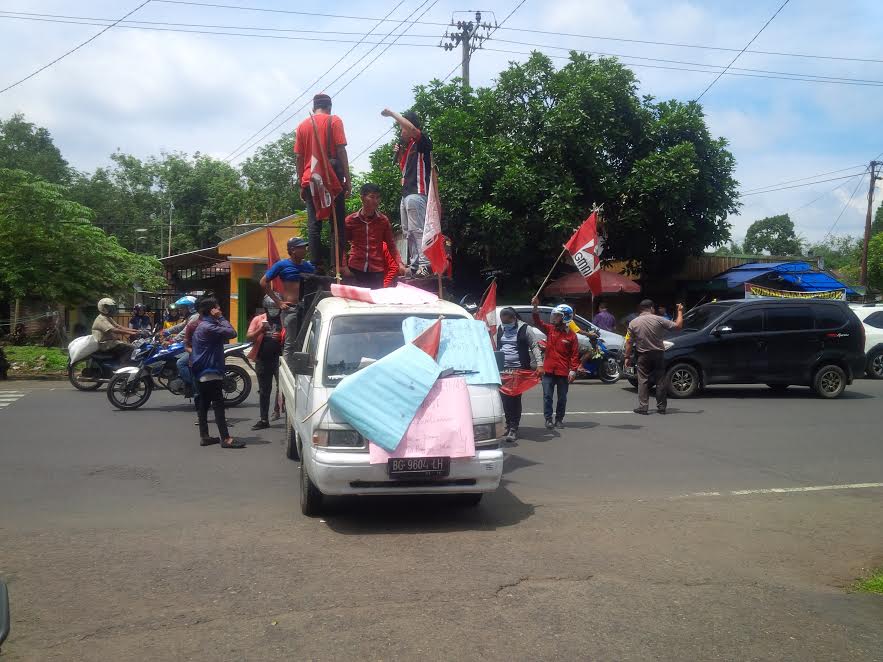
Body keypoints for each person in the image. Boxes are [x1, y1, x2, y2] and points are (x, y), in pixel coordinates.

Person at [294, 93, 351, 274]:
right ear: (330, 107)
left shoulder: (302, 125)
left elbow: (299, 157)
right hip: (331, 179)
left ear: (314, 107)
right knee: (336, 223)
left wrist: (301, 182)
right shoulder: (334, 121)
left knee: (314, 223)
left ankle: (316, 265)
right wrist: (347, 179)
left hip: (310, 179)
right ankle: (336, 266)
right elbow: (341, 150)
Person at [382, 108, 433, 277]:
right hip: (406, 195)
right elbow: (404, 171)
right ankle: (414, 264)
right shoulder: (409, 147)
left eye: (402, 128)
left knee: (418, 230)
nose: (401, 132)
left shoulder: (421, 141)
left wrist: (392, 114)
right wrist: (399, 154)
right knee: (408, 232)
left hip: (417, 193)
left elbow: (411, 129)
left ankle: (425, 265)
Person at [191, 297, 244, 448]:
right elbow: (232, 333)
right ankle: (226, 439)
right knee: (218, 404)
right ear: (212, 310)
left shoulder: (203, 325)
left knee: (204, 404)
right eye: (217, 307)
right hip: (210, 370)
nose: (220, 309)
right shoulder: (209, 326)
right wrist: (220, 317)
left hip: (203, 370)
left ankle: (205, 436)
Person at [260, 236, 316, 361]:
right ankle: (289, 374)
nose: (304, 250)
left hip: (307, 310)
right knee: (291, 344)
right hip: (291, 309)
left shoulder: (308, 266)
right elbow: (263, 282)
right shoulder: (282, 265)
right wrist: (278, 302)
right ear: (292, 250)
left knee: (307, 342)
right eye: (301, 247)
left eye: (304, 247)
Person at [623, 299, 684, 415]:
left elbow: (629, 343)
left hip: (643, 355)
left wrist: (627, 357)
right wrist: (680, 311)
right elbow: (678, 326)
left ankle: (643, 407)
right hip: (658, 354)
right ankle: (661, 407)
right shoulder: (659, 319)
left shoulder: (633, 323)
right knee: (660, 380)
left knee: (643, 380)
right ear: (651, 308)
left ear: (640, 309)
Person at [344, 183, 406, 289]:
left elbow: (391, 245)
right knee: (354, 304)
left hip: (376, 271)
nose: (375, 201)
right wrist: (343, 266)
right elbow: (341, 244)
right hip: (355, 269)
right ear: (362, 198)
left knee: (374, 302)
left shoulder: (383, 221)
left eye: (378, 197)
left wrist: (399, 263)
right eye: (372, 197)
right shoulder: (351, 220)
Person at [531, 297, 581, 430]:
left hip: (563, 371)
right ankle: (548, 419)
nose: (554, 318)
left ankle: (559, 419)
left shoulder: (572, 336)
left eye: (558, 316)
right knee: (547, 396)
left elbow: (575, 355)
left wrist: (573, 370)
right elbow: (537, 322)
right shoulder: (550, 329)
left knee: (562, 398)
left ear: (566, 317)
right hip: (548, 370)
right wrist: (535, 307)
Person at [497, 307, 542, 442]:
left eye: (507, 321)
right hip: (503, 370)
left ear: (514, 318)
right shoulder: (500, 329)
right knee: (505, 398)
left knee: (515, 398)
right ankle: (509, 423)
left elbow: (534, 346)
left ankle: (513, 428)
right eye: (503, 321)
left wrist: (540, 364)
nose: (505, 324)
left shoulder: (525, 329)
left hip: (518, 370)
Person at [246, 296, 284, 430]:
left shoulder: (284, 319)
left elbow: (293, 339)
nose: (273, 310)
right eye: (270, 308)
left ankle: (278, 411)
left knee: (283, 389)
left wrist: (281, 337)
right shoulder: (258, 319)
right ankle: (263, 419)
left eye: (276, 308)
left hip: (281, 361)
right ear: (266, 308)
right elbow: (249, 337)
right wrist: (260, 330)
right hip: (263, 359)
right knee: (264, 390)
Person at [91, 297, 141, 362]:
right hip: (104, 344)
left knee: (132, 345)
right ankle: (121, 366)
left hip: (111, 342)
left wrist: (137, 331)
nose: (111, 309)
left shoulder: (108, 317)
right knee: (130, 348)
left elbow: (119, 327)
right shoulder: (102, 319)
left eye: (111, 307)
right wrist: (133, 333)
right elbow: (114, 330)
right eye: (108, 307)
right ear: (102, 308)